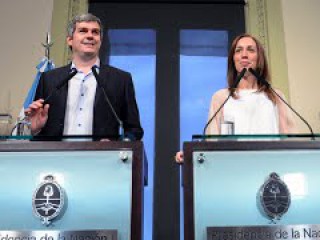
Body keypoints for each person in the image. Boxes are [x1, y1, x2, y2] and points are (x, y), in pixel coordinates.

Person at [175, 33, 295, 163]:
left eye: (250, 50)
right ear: (233, 59)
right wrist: (191, 154)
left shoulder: (275, 96)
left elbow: (292, 141)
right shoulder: (221, 98)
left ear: (259, 58)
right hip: (234, 170)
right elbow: (213, 144)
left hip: (272, 168)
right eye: (238, 50)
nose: (244, 54)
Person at [24, 13, 143, 140]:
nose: (90, 36)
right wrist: (35, 129)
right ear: (70, 40)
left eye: (95, 32)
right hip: (57, 157)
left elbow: (134, 130)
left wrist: (116, 145)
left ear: (100, 41)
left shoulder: (121, 79)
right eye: (83, 31)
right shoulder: (49, 79)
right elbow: (38, 126)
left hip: (102, 158)